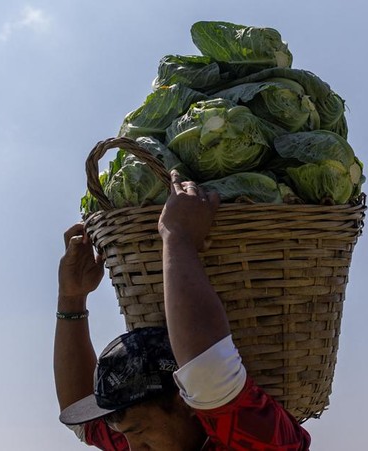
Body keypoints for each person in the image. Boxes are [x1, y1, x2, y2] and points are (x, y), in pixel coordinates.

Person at [54, 170, 311, 450]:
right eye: (127, 435)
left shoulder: (261, 438)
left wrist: (177, 236)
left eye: (138, 432)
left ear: (185, 401)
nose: (131, 447)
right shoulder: (151, 430)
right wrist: (71, 298)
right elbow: (80, 412)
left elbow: (207, 372)